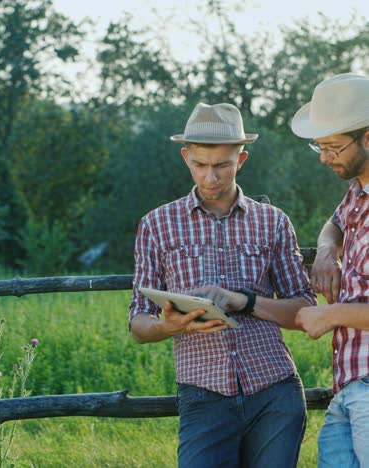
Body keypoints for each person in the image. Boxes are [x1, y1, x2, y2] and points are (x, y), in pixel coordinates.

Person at [129, 102, 316, 468]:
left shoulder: (272, 222)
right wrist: (169, 326)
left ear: (241, 160)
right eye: (200, 165)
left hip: (275, 392)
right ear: (186, 158)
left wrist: (242, 300)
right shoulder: (156, 225)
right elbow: (138, 323)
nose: (211, 177)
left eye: (222, 165)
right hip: (203, 394)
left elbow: (303, 311)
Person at [291, 73, 369, 467]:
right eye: (319, 146)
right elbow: (335, 223)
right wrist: (326, 250)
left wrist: (330, 314)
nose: (324, 157)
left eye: (333, 146)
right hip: (349, 387)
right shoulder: (358, 192)